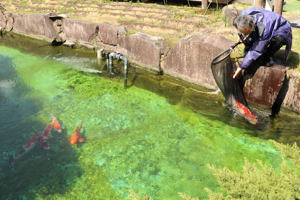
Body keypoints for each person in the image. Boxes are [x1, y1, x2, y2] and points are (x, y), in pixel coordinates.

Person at [232, 7, 292, 79]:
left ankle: (267, 56)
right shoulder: (243, 15)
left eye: (245, 32)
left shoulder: (265, 29)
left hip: (281, 28)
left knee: (278, 40)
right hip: (261, 24)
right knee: (249, 40)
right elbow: (241, 29)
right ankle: (249, 56)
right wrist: (241, 36)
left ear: (251, 28)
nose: (244, 34)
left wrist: (242, 67)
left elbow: (256, 50)